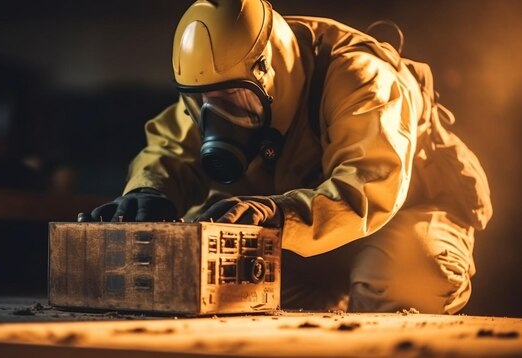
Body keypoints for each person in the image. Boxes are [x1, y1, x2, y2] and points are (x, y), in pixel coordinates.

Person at [81, 0, 492, 314]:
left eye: (234, 101)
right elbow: (169, 148)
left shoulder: (358, 77)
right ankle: (323, 304)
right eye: (203, 102)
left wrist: (276, 216)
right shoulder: (218, 83)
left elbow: (368, 185)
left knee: (407, 278)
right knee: (208, 271)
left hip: (406, 212)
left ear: (272, 73)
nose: (217, 120)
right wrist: (149, 193)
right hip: (297, 232)